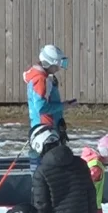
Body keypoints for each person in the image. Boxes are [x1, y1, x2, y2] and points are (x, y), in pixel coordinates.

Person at [24, 44, 70, 172]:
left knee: (40, 167)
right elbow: (42, 108)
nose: (59, 68)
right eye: (57, 65)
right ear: (49, 63)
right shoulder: (40, 80)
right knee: (49, 169)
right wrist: (63, 106)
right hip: (45, 131)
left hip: (43, 127)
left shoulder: (42, 78)